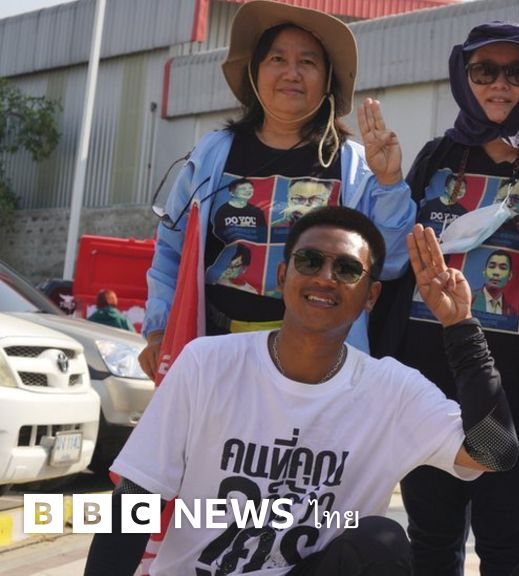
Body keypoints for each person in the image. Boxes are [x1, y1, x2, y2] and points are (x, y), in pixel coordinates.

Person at [84, 208, 518, 575]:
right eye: (310, 261)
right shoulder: (207, 363)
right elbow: (135, 501)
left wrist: (460, 327)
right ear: (282, 275)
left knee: (381, 543)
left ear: (370, 296)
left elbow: (494, 452)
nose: (325, 278)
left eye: (347, 269)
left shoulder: (391, 390)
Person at [369, 22, 519, 576]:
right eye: (484, 71)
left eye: (517, 73)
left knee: (507, 547)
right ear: (464, 77)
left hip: (517, 395)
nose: (499, 85)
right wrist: (387, 181)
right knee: (430, 542)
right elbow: (394, 256)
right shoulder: (437, 156)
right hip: (427, 386)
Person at [138, 0, 415, 379]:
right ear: (255, 72)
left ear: (328, 80)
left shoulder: (354, 167)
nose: (292, 73)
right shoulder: (212, 154)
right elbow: (171, 251)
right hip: (216, 356)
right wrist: (159, 330)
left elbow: (392, 263)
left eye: (308, 62)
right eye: (277, 59)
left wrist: (389, 182)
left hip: (318, 368)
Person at [213, 178, 267, 243]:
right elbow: (218, 233)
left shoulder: (257, 211)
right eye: (243, 189)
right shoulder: (222, 211)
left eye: (250, 188)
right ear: (232, 193)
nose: (248, 191)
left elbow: (263, 233)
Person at [471, 249, 517, 316]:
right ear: (484, 272)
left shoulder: (511, 311)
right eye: (492, 266)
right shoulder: (469, 299)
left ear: (510, 275)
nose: (496, 272)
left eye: (503, 268)